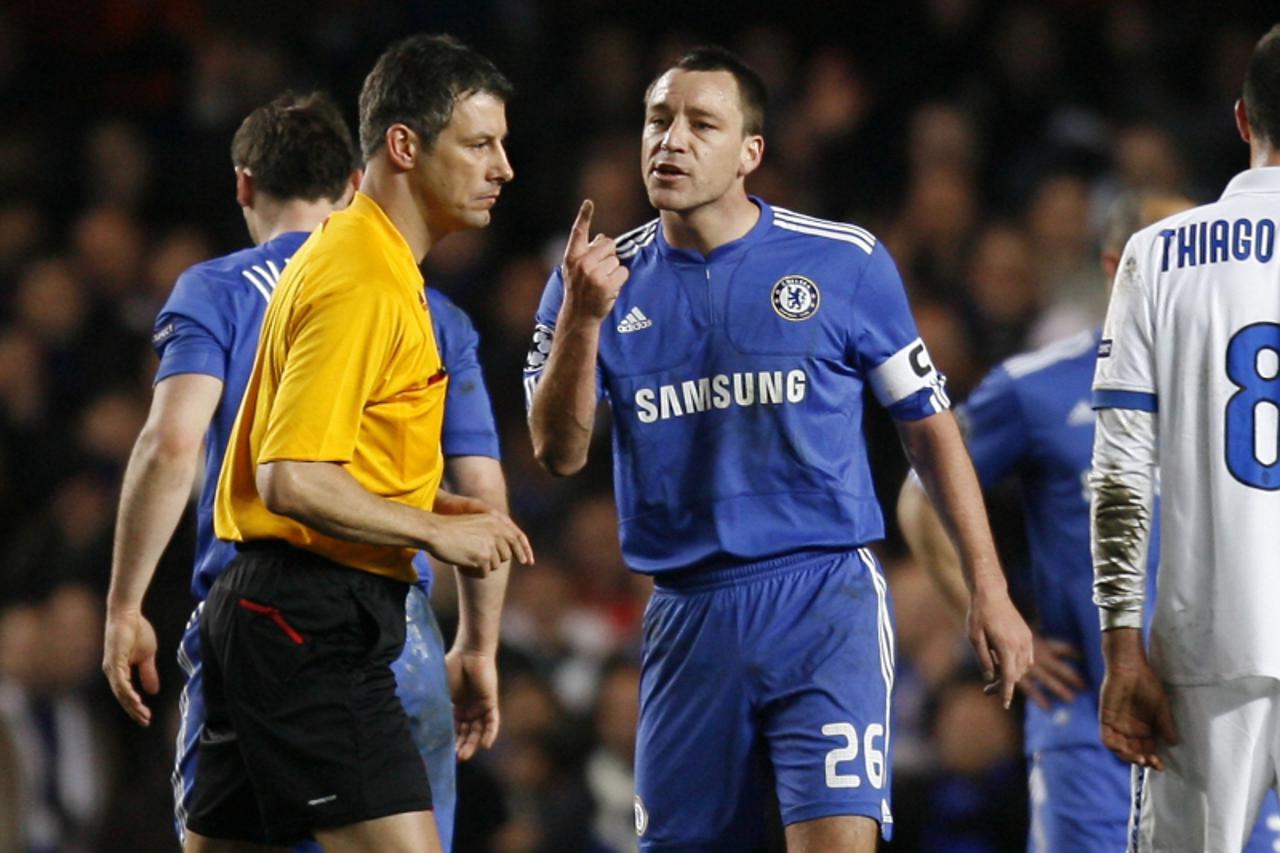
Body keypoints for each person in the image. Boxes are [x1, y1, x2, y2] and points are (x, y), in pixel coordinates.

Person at [525, 46, 1032, 852]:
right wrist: (584, 319)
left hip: (822, 596)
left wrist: (989, 587)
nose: (671, 140)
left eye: (701, 124)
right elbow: (557, 451)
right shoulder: (593, 278)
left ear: (749, 153)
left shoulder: (844, 260)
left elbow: (931, 431)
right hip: (687, 608)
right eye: (658, 120)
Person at [100, 88, 513, 852]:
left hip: (251, 609)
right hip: (385, 624)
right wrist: (478, 645)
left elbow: (170, 442)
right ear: (355, 183)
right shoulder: (423, 305)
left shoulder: (218, 289)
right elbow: (482, 493)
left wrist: (126, 603)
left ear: (243, 183)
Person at [898, 191, 1280, 851]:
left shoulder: (1250, 382)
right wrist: (989, 605)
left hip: (1234, 721)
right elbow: (921, 493)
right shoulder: (1036, 386)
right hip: (1089, 728)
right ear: (1116, 264)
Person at [1091, 24, 1280, 850]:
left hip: (1206, 640)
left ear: (1242, 119)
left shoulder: (1156, 254)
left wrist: (1121, 641)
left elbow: (1121, 470)